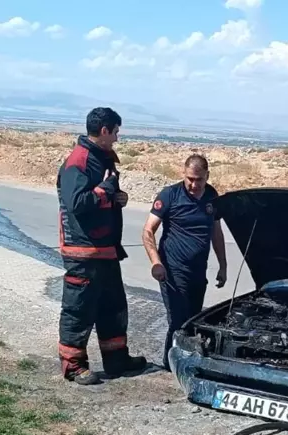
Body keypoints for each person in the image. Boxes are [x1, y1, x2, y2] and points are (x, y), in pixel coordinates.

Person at [57, 107, 146, 385]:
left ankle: (117, 360)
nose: (118, 138)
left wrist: (118, 197)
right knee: (79, 309)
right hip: (82, 252)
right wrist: (105, 190)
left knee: (113, 307)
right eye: (116, 131)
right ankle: (73, 366)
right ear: (105, 130)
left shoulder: (101, 158)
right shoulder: (79, 160)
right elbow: (77, 204)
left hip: (105, 250)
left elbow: (102, 197)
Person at [142, 154, 227, 371]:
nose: (193, 184)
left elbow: (216, 232)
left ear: (207, 176)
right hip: (172, 270)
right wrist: (155, 262)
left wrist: (223, 265)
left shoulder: (211, 196)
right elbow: (148, 231)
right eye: (190, 178)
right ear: (183, 174)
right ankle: (170, 365)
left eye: (198, 179)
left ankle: (185, 362)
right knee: (178, 321)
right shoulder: (170, 195)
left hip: (198, 272)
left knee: (193, 320)